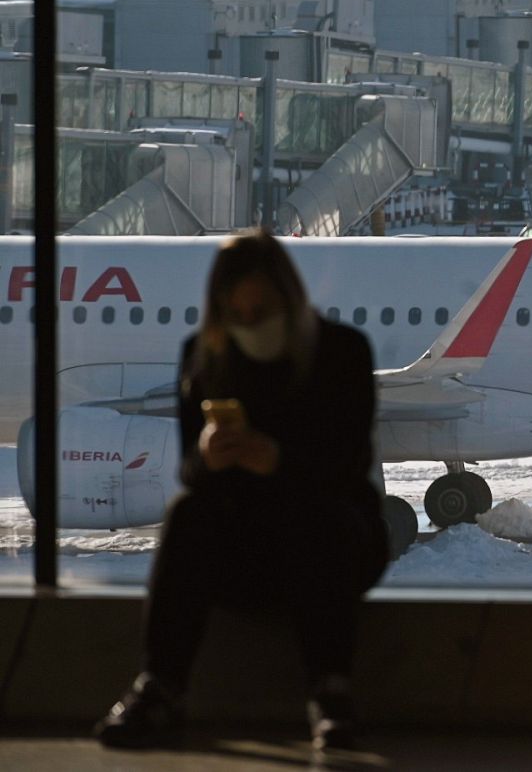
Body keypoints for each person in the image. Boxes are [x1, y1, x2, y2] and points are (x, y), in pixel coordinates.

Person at [95, 229, 387, 752]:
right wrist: (208, 458)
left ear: (289, 299)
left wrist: (279, 461)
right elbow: (191, 475)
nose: (251, 323)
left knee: (320, 520)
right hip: (245, 542)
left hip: (328, 538)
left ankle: (331, 693)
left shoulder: (340, 352)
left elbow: (350, 469)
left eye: (262, 310)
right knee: (188, 513)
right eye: (238, 313)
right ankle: (158, 686)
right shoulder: (205, 357)